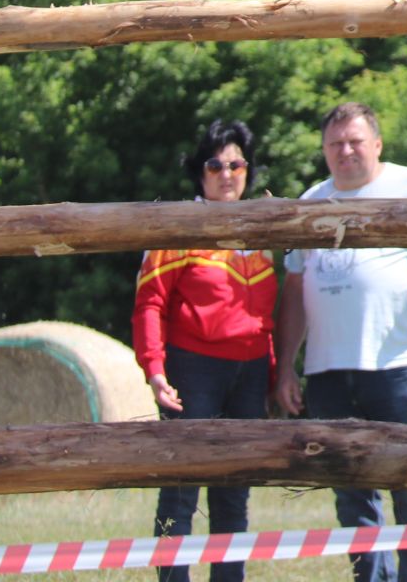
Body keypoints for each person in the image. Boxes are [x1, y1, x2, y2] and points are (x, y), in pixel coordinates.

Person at [273, 104, 407, 582]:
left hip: (400, 363)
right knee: (351, 491)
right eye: (335, 144)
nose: (345, 151)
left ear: (376, 144)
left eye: (355, 141)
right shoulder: (311, 200)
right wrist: (286, 365)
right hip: (328, 370)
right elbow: (293, 290)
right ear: (324, 151)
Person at [133, 120, 277, 582]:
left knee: (234, 491)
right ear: (200, 172)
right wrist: (154, 369)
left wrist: (275, 374)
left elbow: (271, 314)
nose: (227, 173)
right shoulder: (177, 228)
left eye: (236, 164)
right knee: (181, 488)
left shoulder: (263, 230)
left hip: (250, 372)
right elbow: (149, 304)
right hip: (192, 370)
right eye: (215, 164)